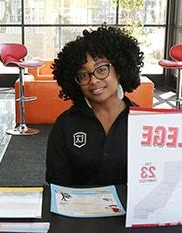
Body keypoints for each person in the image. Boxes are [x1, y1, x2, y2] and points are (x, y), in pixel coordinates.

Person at [46, 26, 143, 187]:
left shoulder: (143, 123)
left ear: (119, 70)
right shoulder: (65, 125)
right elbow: (57, 183)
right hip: (79, 210)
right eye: (83, 75)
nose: (94, 80)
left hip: (129, 211)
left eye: (102, 69)